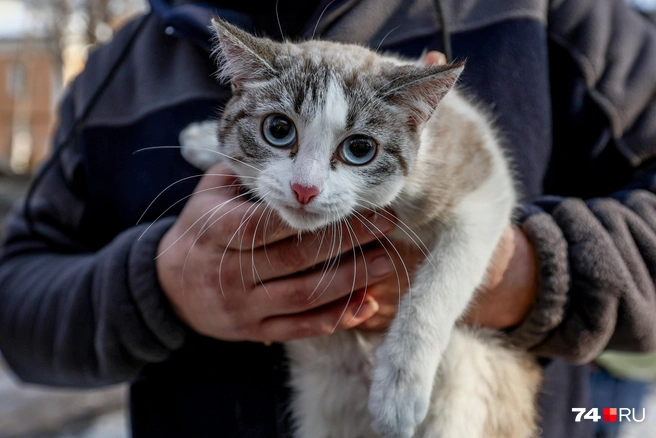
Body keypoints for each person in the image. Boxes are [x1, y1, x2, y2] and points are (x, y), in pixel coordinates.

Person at [0, 0, 655, 437]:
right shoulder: (121, 64)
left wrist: (529, 274)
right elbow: (14, 297)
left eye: (357, 148)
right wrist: (157, 288)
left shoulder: (549, 14)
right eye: (278, 131)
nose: (310, 189)